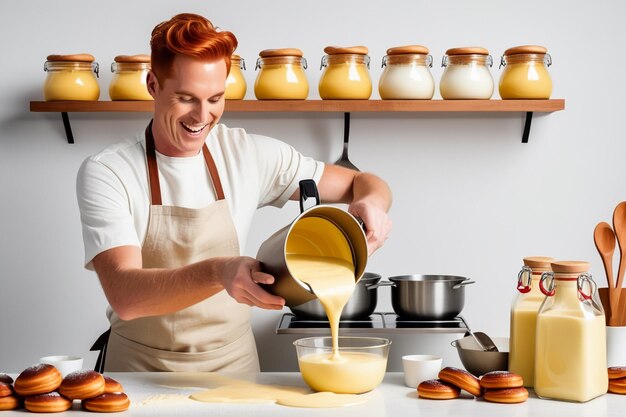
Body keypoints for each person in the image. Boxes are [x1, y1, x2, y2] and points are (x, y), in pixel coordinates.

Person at [76, 12, 392, 373]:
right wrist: (218, 272)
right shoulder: (109, 171)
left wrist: (371, 203)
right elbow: (126, 295)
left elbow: (364, 182)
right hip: (139, 371)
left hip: (234, 368)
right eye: (186, 98)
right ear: (152, 85)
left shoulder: (246, 154)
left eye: (215, 98)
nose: (202, 116)